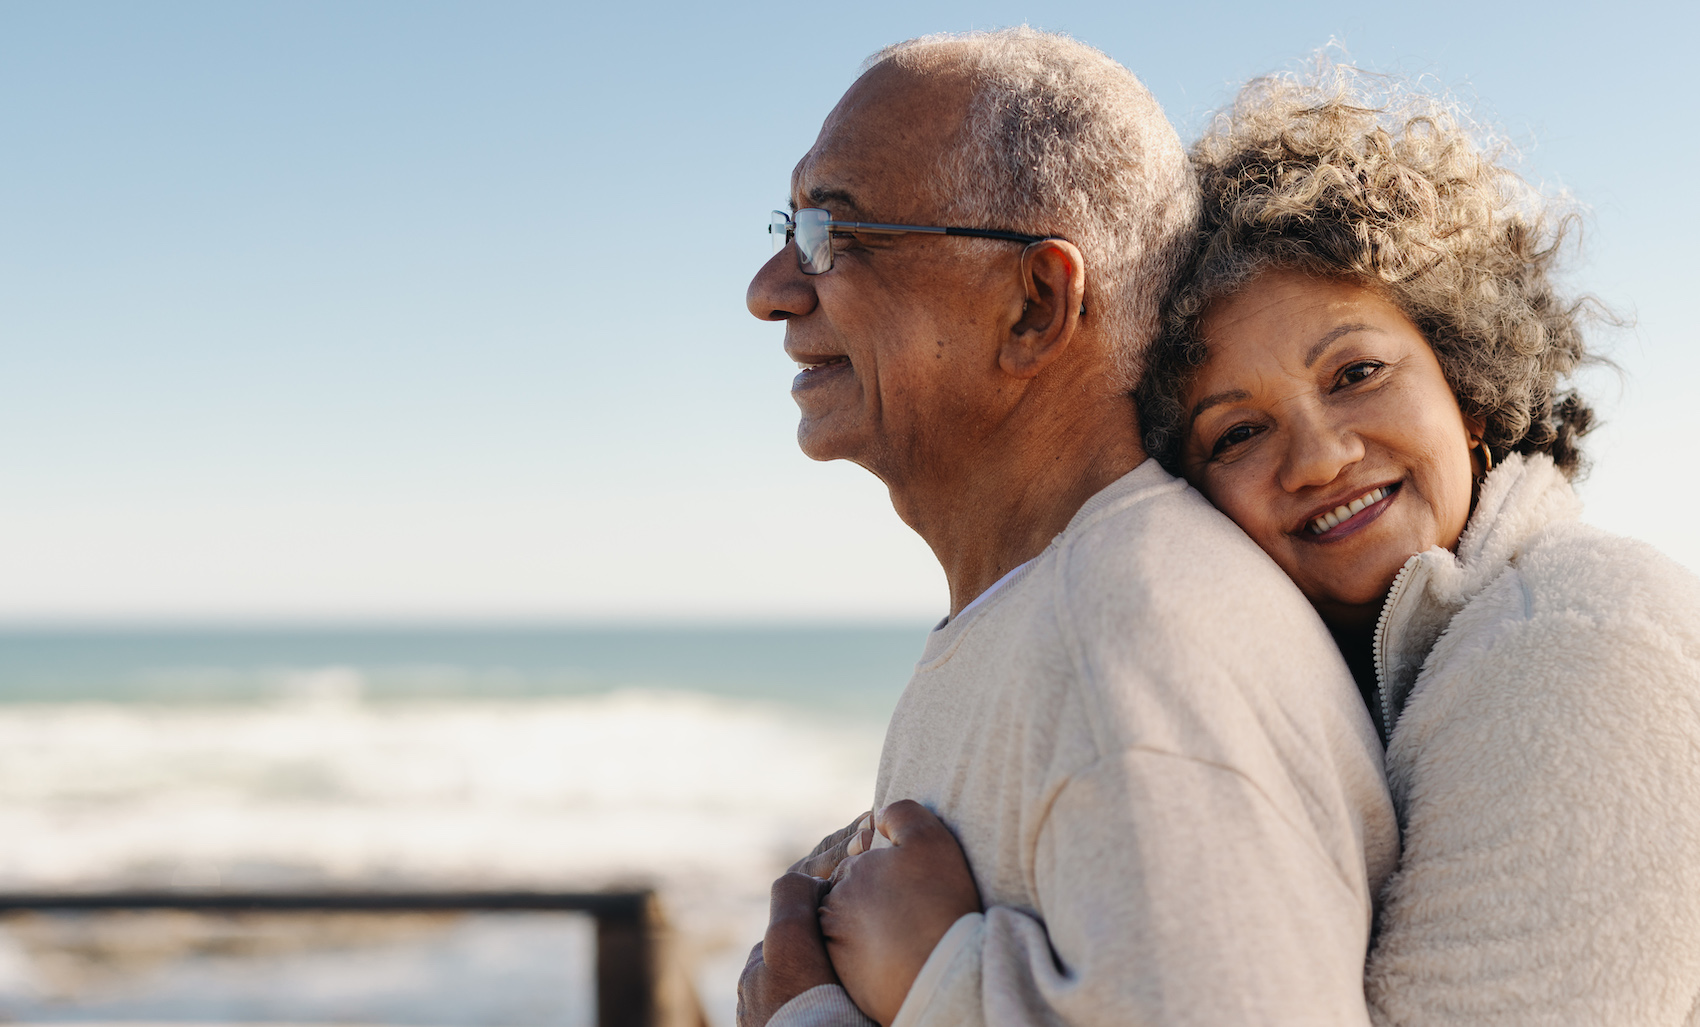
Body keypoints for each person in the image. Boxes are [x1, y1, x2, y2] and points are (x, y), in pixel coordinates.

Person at [828, 67, 1700, 1025]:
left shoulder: (1573, 645)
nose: (1321, 458)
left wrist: (937, 979)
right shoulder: (1404, 653)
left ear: (1468, 380)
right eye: (1236, 432)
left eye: (1357, 372)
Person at [738, 29, 1399, 1027]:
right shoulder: (1067, 607)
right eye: (790, 228)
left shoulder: (1128, 643)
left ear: (1034, 305)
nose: (771, 290)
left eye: (835, 234)